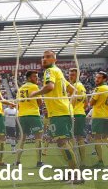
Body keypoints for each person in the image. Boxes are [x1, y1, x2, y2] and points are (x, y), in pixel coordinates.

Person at [29, 50, 81, 178]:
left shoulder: (50, 71)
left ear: (54, 59)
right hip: (62, 111)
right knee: (63, 142)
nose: (44, 59)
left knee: (62, 142)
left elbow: (50, 87)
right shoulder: (59, 72)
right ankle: (72, 172)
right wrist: (68, 103)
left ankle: (76, 174)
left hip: (59, 113)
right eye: (43, 57)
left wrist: (34, 94)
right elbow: (73, 90)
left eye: (48, 57)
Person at [86, 71, 108, 167]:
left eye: (99, 78)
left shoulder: (98, 89)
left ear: (104, 79)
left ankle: (100, 161)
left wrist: (91, 98)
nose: (96, 79)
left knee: (96, 139)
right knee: (104, 137)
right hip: (107, 116)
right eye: (96, 77)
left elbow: (91, 103)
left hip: (98, 116)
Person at [15, 71, 44, 167]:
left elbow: (18, 105)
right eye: (35, 77)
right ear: (28, 78)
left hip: (22, 116)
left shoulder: (20, 89)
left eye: (37, 77)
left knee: (22, 138)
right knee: (38, 138)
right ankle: (39, 162)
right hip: (33, 115)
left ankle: (17, 161)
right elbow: (40, 102)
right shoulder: (34, 87)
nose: (37, 78)